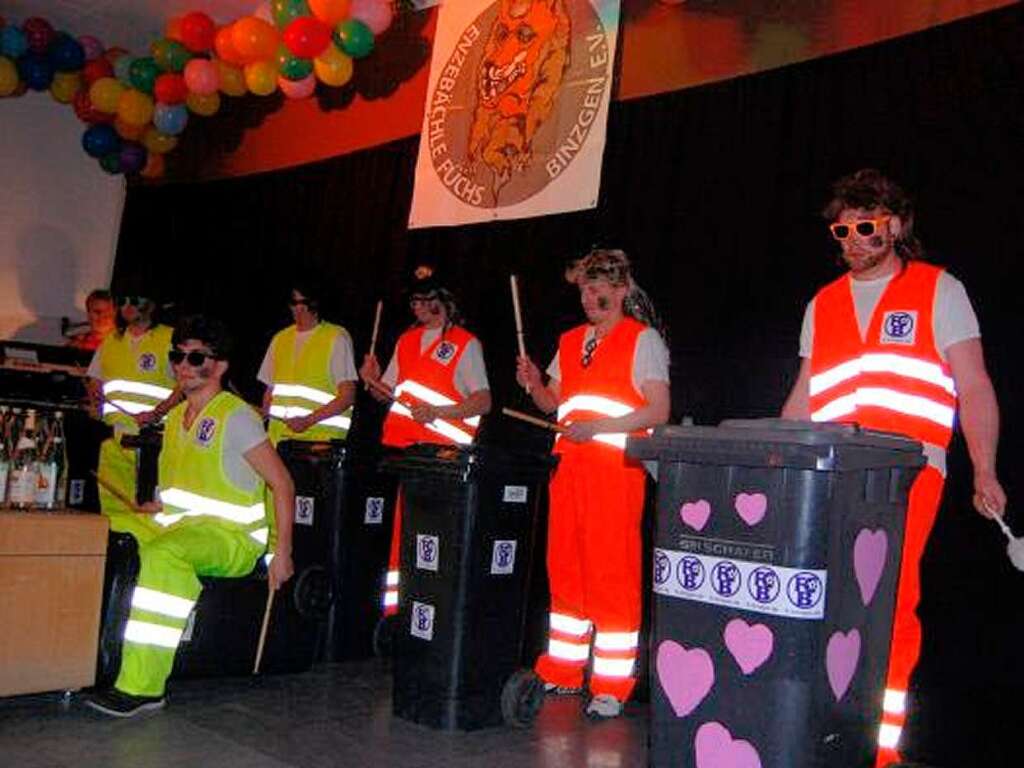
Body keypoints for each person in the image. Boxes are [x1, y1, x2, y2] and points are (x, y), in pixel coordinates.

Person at [780, 169, 1007, 766]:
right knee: (822, 601)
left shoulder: (939, 289)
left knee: (887, 600)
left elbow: (974, 383)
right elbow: (805, 391)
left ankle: (878, 746)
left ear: (896, 226)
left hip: (905, 470)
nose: (852, 239)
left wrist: (984, 468)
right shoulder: (823, 302)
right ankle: (818, 731)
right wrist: (776, 459)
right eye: (841, 230)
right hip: (829, 471)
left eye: (865, 227)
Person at [85, 315, 295, 717]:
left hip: (230, 538)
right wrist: (156, 507)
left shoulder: (235, 417)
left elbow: (282, 484)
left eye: (195, 357)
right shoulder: (176, 420)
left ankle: (143, 686)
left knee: (166, 555)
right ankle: (91, 660)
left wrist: (280, 551)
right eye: (177, 355)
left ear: (219, 366)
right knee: (100, 532)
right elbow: (181, 491)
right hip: (182, 525)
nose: (183, 365)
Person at [516, 248, 671, 719]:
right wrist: (534, 383)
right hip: (569, 467)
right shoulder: (568, 340)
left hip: (615, 471)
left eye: (598, 287)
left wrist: (598, 429)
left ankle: (612, 683)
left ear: (622, 289)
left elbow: (658, 411)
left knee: (612, 574)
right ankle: (563, 672)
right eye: (583, 288)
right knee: (565, 569)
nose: (589, 296)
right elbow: (551, 404)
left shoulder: (642, 340)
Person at [359, 265, 492, 616]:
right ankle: (396, 614)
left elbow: (483, 401)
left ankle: (429, 606)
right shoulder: (406, 340)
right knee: (399, 534)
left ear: (442, 301)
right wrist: (371, 380)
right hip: (403, 453)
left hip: (441, 458)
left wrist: (438, 412)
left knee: (430, 536)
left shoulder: (465, 343)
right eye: (413, 301)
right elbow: (387, 396)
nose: (416, 307)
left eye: (423, 300)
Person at [87, 293, 179, 540]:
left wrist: (159, 411)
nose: (127, 307)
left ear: (150, 303)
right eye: (123, 301)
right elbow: (95, 381)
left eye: (134, 301)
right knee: (113, 507)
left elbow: (186, 384)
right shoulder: (112, 340)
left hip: (153, 441)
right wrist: (96, 402)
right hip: (115, 439)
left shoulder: (169, 337)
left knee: (148, 508)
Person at [258, 279, 357, 445]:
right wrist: (263, 414)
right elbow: (270, 392)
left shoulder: (335, 338)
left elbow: (347, 396)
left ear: (316, 303)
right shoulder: (280, 339)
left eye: (304, 302)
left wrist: (308, 420)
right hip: (279, 441)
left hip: (318, 443)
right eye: (293, 303)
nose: (299, 308)